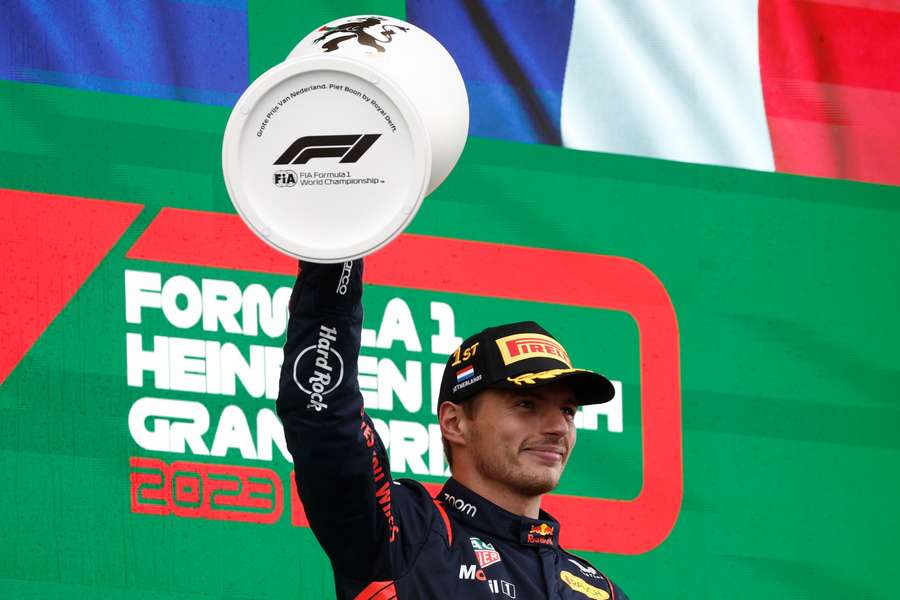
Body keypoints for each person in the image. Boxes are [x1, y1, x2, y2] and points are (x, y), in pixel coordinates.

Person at [277, 260, 629, 599]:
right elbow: (323, 417)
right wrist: (337, 254)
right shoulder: (404, 533)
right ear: (454, 422)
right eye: (526, 404)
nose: (557, 427)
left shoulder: (600, 592)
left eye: (568, 411)